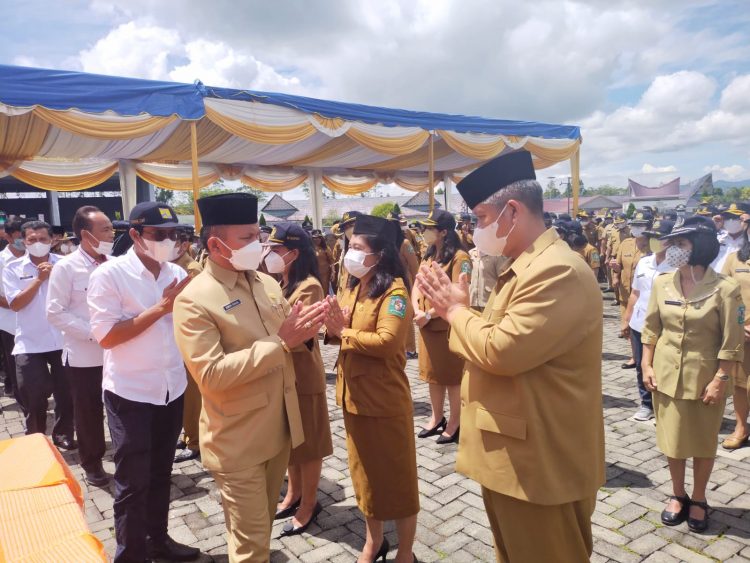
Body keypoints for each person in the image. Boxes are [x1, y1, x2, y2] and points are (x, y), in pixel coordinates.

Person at [416, 151, 604, 562]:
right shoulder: (524, 265)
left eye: (482, 218)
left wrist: (454, 311)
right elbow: (499, 335)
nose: (477, 229)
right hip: (516, 455)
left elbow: (500, 350)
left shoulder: (556, 271)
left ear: (513, 211)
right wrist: (462, 310)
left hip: (540, 463)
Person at [172, 193, 326, 562]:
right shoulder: (195, 300)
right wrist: (280, 343)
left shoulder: (265, 283)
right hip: (238, 442)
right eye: (247, 238)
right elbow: (210, 375)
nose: (258, 245)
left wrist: (309, 333)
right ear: (215, 244)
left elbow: (291, 340)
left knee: (255, 531)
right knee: (251, 546)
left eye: (259, 236)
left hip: (279, 431)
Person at [87, 202, 198, 562]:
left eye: (174, 234)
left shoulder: (176, 275)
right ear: (135, 235)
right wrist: (160, 310)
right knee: (133, 482)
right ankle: (131, 553)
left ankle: (158, 541)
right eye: (159, 235)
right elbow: (106, 337)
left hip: (171, 388)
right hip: (130, 392)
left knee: (160, 472)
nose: (169, 241)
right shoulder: (110, 275)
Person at [323, 214, 419, 563]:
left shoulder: (393, 291)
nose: (350, 253)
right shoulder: (353, 285)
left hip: (384, 402)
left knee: (397, 480)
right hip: (353, 398)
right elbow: (341, 328)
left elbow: (388, 341)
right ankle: (373, 541)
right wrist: (332, 325)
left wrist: (343, 332)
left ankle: (405, 552)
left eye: (358, 248)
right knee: (364, 477)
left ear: (379, 254)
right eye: (350, 246)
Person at [642, 215, 743, 533]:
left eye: (680, 244)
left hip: (704, 381)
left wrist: (720, 378)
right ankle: (677, 494)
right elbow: (651, 328)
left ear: (698, 247)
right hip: (665, 378)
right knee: (672, 442)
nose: (672, 249)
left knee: (701, 443)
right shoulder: (662, 282)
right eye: (672, 243)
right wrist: (646, 364)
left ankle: (698, 499)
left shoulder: (726, 289)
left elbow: (732, 340)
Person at [261, 222, 333, 536]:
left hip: (304, 376)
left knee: (309, 444)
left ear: (294, 253)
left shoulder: (309, 286)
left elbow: (287, 326)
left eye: (276, 250)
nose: (270, 255)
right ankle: (293, 494)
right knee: (291, 441)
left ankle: (309, 504)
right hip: (284, 374)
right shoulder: (282, 281)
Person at [46, 206, 113, 486]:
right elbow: (55, 311)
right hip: (85, 355)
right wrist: (94, 333)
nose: (112, 233)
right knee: (89, 413)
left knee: (120, 407)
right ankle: (93, 462)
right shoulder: (66, 267)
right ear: (86, 235)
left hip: (118, 351)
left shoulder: (114, 262)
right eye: (106, 229)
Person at [3, 220, 74, 448]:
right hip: (30, 341)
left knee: (66, 393)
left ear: (52, 240)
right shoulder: (13, 268)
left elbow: (76, 298)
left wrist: (54, 277)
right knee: (32, 393)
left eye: (43, 239)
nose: (37, 244)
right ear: (24, 241)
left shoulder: (65, 265)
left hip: (62, 338)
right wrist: (39, 280)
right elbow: (16, 304)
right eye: (32, 240)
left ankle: (63, 434)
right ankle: (36, 438)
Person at [412, 209, 472, 444]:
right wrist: (418, 311)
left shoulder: (459, 258)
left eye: (429, 229)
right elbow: (417, 284)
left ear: (444, 232)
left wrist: (428, 313)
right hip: (426, 326)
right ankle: (437, 418)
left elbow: (460, 295)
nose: (425, 232)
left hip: (446, 327)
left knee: (452, 379)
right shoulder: (429, 256)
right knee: (432, 376)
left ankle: (456, 423)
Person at [622, 219, 675, 422]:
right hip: (639, 323)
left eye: (659, 237)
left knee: (663, 365)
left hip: (664, 325)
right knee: (641, 366)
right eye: (652, 237)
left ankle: (664, 405)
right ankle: (646, 404)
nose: (655, 241)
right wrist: (627, 318)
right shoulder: (644, 262)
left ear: (671, 241)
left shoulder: (678, 266)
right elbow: (635, 292)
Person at [171, 225, 204, 464]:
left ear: (183, 245)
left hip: (190, 337)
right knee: (181, 391)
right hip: (175, 337)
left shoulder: (191, 269)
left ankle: (195, 441)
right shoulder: (171, 267)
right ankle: (187, 433)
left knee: (192, 395)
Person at [721, 219, 750, 450]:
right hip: (743, 333)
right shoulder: (735, 258)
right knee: (740, 384)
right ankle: (741, 427)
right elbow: (723, 292)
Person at [614, 212, 652, 367]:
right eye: (634, 225)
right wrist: (616, 273)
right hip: (626, 291)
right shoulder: (626, 243)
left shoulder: (654, 245)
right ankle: (634, 356)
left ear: (648, 227)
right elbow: (618, 263)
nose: (636, 228)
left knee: (644, 326)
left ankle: (647, 357)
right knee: (628, 324)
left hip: (644, 294)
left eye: (640, 225)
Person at [0, 218, 26, 403]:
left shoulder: (35, 256)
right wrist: (22, 303)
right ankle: (26, 405)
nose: (24, 241)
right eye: (20, 236)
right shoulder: (2, 261)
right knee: (16, 368)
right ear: (7, 237)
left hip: (38, 323)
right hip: (10, 323)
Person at [388, 213, 420, 360]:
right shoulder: (386, 243)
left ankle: (411, 349)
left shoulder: (405, 244)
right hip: (389, 283)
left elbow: (414, 267)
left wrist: (416, 288)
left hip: (405, 283)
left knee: (406, 317)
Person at [311, 229, 334, 294]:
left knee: (325, 290)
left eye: (319, 238)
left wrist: (333, 272)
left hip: (325, 274)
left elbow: (331, 261)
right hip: (314, 273)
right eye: (314, 238)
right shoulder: (310, 249)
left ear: (321, 238)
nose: (317, 239)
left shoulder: (326, 248)